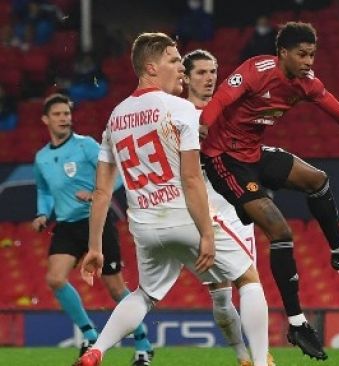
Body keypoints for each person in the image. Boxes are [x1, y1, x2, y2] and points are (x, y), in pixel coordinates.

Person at [199, 21, 339, 360]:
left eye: (312, 54)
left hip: (254, 154)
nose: (309, 61)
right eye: (302, 54)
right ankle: (297, 323)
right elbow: (222, 98)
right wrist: (203, 127)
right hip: (224, 159)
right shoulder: (257, 69)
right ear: (283, 53)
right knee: (281, 232)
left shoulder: (307, 84)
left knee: (317, 180)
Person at [74, 32, 269, 366]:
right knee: (249, 280)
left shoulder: (115, 117)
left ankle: (96, 351)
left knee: (144, 295)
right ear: (151, 67)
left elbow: (103, 192)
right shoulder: (181, 110)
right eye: (174, 60)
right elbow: (192, 178)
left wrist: (95, 247)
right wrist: (206, 232)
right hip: (185, 217)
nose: (181, 67)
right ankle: (261, 362)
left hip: (145, 227)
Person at [32, 93, 154, 366]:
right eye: (58, 114)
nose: (64, 118)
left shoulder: (86, 146)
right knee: (55, 278)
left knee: (114, 288)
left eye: (67, 113)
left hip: (95, 222)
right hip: (66, 225)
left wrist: (98, 192)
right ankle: (89, 334)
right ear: (45, 120)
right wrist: (42, 212)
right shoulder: (41, 158)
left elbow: (119, 173)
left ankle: (144, 343)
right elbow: (44, 190)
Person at [182, 48, 275, 366]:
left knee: (249, 281)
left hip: (235, 208)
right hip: (202, 212)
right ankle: (241, 355)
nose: (209, 78)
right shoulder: (180, 116)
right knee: (220, 295)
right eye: (201, 73)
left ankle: (260, 356)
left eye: (212, 72)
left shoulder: (232, 111)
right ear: (186, 78)